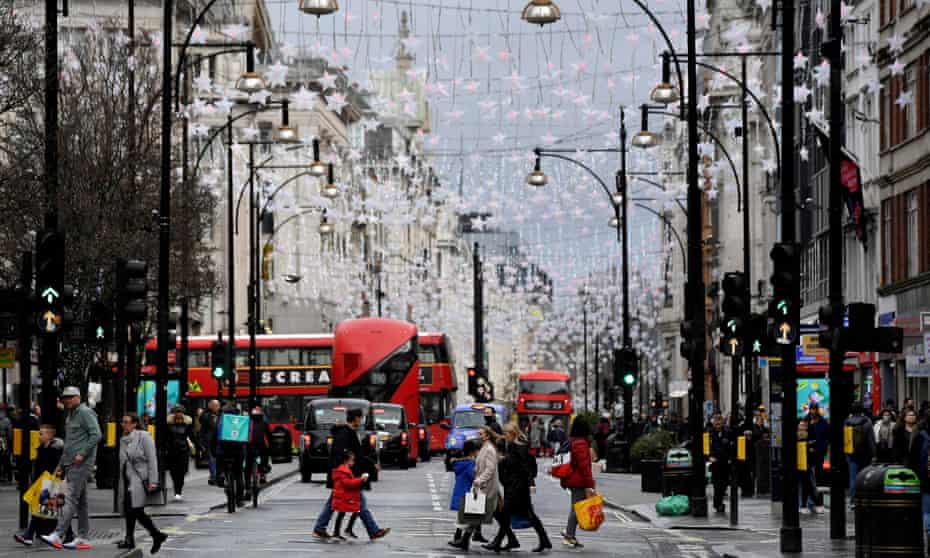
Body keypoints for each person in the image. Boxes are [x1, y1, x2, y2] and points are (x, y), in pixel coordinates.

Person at [312, 408, 389, 541]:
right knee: (359, 504)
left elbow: (357, 455)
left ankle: (320, 528)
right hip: (344, 476)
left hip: (345, 475)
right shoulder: (345, 434)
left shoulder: (348, 432)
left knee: (334, 503)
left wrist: (371, 464)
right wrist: (342, 474)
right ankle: (373, 531)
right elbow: (343, 455)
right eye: (360, 417)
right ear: (356, 418)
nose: (362, 420)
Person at [40, 387, 102, 550]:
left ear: (78, 397)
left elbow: (96, 434)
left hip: (81, 463)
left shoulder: (85, 412)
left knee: (70, 498)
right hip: (71, 462)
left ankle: (57, 535)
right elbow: (70, 443)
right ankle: (83, 537)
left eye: (69, 397)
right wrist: (61, 464)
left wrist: (82, 454)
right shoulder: (71, 414)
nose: (65, 400)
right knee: (81, 502)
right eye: (64, 398)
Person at [485, 423, 551, 553]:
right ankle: (544, 540)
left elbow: (526, 468)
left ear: (513, 434)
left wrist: (531, 483)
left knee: (506, 514)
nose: (505, 436)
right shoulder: (511, 446)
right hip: (512, 485)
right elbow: (511, 462)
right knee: (529, 515)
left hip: (518, 487)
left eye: (507, 434)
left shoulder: (520, 448)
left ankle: (500, 541)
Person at [116, 413, 167, 554]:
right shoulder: (123, 439)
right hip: (127, 478)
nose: (123, 424)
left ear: (134, 424)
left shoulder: (143, 436)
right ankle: (130, 539)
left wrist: (153, 481)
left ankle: (156, 535)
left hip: (140, 479)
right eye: (123, 422)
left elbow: (152, 459)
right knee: (129, 510)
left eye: (126, 422)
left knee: (135, 509)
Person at [449, 426, 500, 551]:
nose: (479, 435)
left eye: (481, 434)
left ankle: (464, 540)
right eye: (479, 433)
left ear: (487, 435)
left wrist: (479, 480)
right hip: (481, 485)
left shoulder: (489, 449)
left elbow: (490, 468)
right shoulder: (485, 448)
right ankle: (465, 540)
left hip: (486, 486)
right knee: (477, 514)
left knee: (487, 514)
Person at [14, 425, 64, 546]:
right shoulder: (41, 448)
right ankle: (35, 535)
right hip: (42, 483)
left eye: (41, 433)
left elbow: (56, 468)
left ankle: (29, 535)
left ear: (49, 436)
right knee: (46, 510)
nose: (39, 435)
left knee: (44, 510)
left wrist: (54, 482)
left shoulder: (54, 451)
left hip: (51, 483)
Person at [560, 418, 595, 549]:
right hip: (578, 480)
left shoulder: (575, 441)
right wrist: (589, 484)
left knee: (576, 507)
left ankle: (570, 534)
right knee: (576, 509)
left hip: (575, 479)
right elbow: (584, 466)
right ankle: (568, 536)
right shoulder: (580, 444)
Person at [331, 450, 370, 541]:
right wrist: (361, 479)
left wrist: (360, 479)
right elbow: (348, 483)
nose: (353, 462)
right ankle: (341, 531)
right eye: (352, 460)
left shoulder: (345, 470)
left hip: (345, 496)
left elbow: (349, 482)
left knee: (346, 512)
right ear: (346, 461)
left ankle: (342, 530)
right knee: (353, 510)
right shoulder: (343, 471)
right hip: (344, 496)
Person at [845, 402, 875, 505]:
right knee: (865, 477)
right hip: (865, 454)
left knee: (853, 478)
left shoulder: (847, 422)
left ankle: (853, 501)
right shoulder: (867, 422)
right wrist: (874, 454)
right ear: (862, 410)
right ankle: (863, 499)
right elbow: (871, 440)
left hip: (851, 454)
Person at [449, 439, 479, 545]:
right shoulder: (470, 464)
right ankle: (461, 539)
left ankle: (459, 537)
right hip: (467, 491)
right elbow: (473, 477)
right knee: (469, 517)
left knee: (463, 517)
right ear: (472, 452)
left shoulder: (460, 463)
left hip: (459, 491)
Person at [165, 405, 194, 501]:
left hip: (183, 451)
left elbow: (192, 436)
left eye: (180, 412)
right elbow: (164, 437)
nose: (179, 414)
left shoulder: (187, 424)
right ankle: (177, 492)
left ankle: (179, 490)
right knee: (174, 473)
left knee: (182, 472)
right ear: (174, 413)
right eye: (177, 412)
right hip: (172, 452)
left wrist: (200, 447)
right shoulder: (169, 425)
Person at [706, 414, 731, 514]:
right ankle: (718, 504)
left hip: (725, 462)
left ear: (722, 423)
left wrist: (730, 458)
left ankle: (719, 502)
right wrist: (709, 457)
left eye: (719, 423)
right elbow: (705, 447)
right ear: (713, 423)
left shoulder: (727, 433)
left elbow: (731, 446)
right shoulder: (709, 434)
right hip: (715, 462)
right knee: (717, 484)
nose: (718, 425)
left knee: (724, 483)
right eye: (716, 423)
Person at [247, 405, 271, 485]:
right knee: (264, 455)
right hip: (261, 444)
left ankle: (248, 475)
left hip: (250, 444)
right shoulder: (264, 422)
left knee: (248, 459)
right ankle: (263, 474)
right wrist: (271, 444)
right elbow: (268, 434)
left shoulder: (248, 422)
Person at [200, 400, 220, 485]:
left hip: (219, 441)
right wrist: (202, 442)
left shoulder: (220, 415)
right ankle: (213, 477)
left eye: (218, 406)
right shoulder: (206, 416)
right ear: (211, 406)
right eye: (215, 406)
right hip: (210, 441)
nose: (217, 407)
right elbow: (203, 429)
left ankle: (216, 476)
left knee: (217, 459)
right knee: (212, 460)